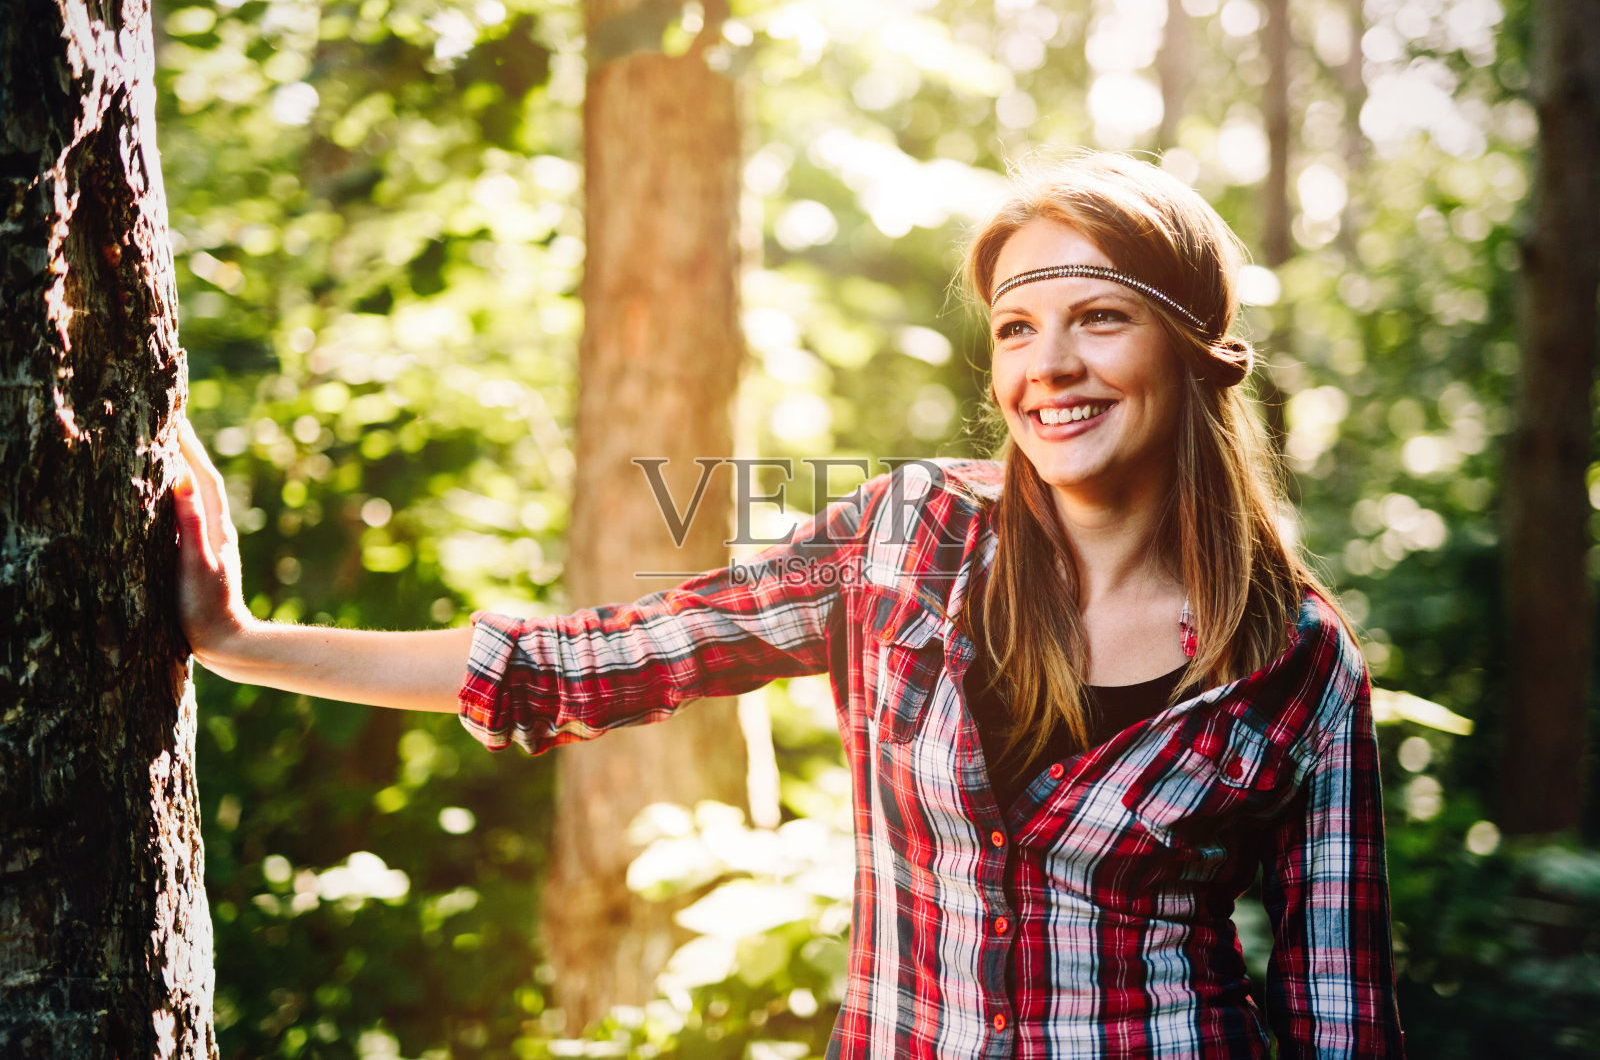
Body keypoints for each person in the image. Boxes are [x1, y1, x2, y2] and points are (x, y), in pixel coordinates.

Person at [176, 151, 1405, 1058]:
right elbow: (588, 662)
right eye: (1016, 327)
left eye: (1099, 316)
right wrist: (238, 641)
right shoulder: (903, 541)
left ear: (1191, 349)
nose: (1049, 366)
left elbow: (1339, 1016)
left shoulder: (1294, 660)